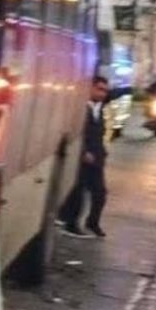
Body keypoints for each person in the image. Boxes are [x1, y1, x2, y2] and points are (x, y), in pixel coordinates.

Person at [59, 76, 114, 238]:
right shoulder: (79, 108)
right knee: (78, 192)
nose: (103, 94)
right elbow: (75, 133)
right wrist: (82, 152)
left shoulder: (100, 108)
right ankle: (71, 223)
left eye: (105, 90)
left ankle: (93, 222)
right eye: (99, 89)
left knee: (100, 193)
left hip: (97, 158)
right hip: (82, 158)